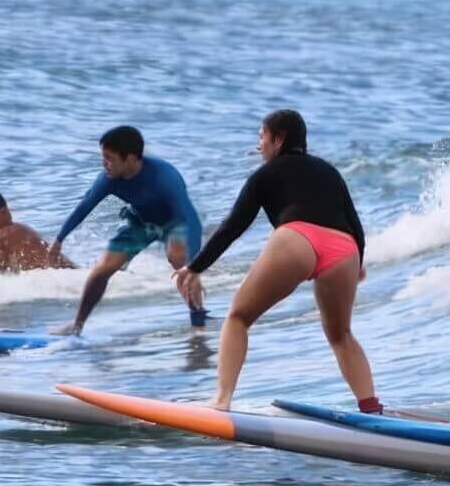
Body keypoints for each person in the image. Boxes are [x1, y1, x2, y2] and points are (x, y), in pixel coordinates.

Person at [173, 109, 381, 413]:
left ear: (278, 139)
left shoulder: (265, 175)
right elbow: (355, 225)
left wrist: (195, 267)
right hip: (344, 250)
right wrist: (357, 263)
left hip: (296, 241)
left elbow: (233, 226)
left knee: (238, 317)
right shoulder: (329, 171)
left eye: (262, 137)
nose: (259, 145)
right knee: (341, 335)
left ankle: (221, 401)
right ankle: (371, 407)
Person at [47, 126, 205, 335]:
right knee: (101, 271)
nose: (104, 164)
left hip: (175, 221)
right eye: (103, 157)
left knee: (178, 257)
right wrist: (59, 239)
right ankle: (77, 325)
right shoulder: (108, 179)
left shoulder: (164, 177)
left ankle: (198, 321)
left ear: (130, 159)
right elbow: (85, 206)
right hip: (139, 222)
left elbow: (191, 218)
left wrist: (193, 266)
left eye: (110, 158)